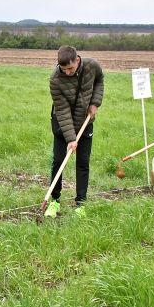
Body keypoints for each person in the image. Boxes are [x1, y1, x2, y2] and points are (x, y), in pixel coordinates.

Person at [45, 45, 103, 217]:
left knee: (83, 162)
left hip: (85, 121)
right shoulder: (55, 80)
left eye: (70, 68)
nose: (67, 72)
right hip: (62, 125)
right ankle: (54, 201)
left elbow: (99, 80)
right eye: (64, 69)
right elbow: (62, 111)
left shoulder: (92, 66)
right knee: (58, 161)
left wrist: (95, 103)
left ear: (77, 60)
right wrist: (71, 138)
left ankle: (81, 204)